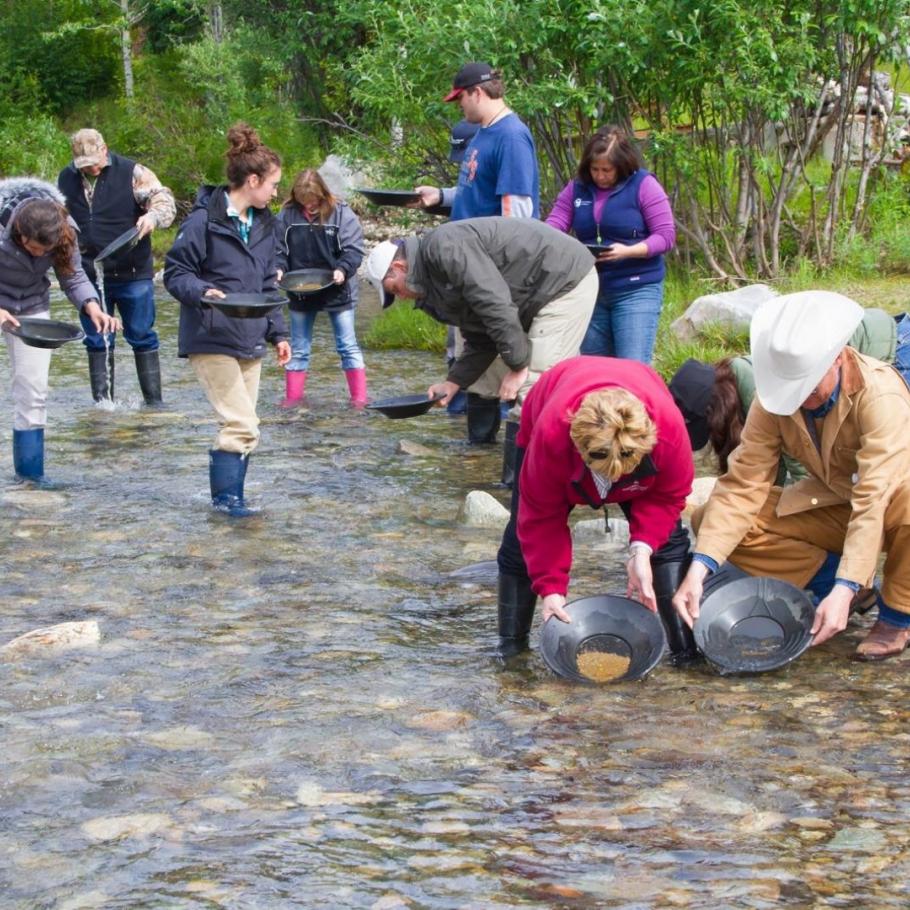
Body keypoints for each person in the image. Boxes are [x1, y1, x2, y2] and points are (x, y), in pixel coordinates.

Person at [672, 291, 910, 661]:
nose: (799, 400)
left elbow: (874, 497)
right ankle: (841, 586)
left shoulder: (880, 395)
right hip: (835, 504)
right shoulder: (776, 396)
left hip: (891, 507)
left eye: (809, 389)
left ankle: (896, 616)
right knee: (713, 517)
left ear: (839, 357)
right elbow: (743, 485)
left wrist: (847, 585)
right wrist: (699, 570)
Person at [494, 356, 694, 658]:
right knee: (519, 543)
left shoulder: (669, 431)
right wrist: (551, 588)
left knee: (667, 544)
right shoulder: (552, 435)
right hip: (554, 397)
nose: (614, 480)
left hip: (642, 407)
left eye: (623, 471)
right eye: (605, 472)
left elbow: (667, 496)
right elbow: (540, 518)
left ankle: (685, 651)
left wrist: (642, 548)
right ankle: (511, 650)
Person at [364, 217, 598, 436]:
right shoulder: (431, 286)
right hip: (534, 293)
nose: (402, 298)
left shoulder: (445, 247)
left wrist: (518, 367)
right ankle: (523, 475)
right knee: (542, 393)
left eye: (394, 289)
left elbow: (494, 302)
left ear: (399, 266)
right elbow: (481, 335)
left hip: (563, 280)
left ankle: (528, 478)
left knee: (533, 393)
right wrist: (453, 382)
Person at [163, 124, 290, 517]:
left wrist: (279, 333)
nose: (275, 193)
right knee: (242, 426)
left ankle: (231, 501)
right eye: (272, 184)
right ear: (252, 181)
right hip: (210, 334)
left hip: (250, 336)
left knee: (248, 430)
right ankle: (229, 506)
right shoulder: (202, 221)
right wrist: (202, 291)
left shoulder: (266, 224)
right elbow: (175, 273)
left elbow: (269, 282)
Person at [414, 62, 540, 458]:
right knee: (477, 356)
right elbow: (476, 190)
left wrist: (496, 278)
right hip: (468, 267)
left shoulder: (512, 137)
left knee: (500, 354)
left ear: (477, 93)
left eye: (459, 99)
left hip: (491, 270)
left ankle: (510, 454)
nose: (458, 108)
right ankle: (477, 451)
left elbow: (516, 213)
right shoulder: (482, 134)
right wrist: (444, 197)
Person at [670, 306, 909, 484]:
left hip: (895, 349)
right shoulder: (739, 375)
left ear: (718, 412)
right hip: (890, 331)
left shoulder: (764, 393)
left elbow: (804, 464)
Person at [0, 178, 121, 483]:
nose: (39, 255)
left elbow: (73, 276)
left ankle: (30, 479)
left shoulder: (65, 231)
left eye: (46, 251)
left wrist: (92, 305)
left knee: (34, 392)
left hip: (30, 305)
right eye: (31, 248)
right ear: (19, 233)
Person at [57, 128, 176, 406]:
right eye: (84, 164)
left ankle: (154, 405)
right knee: (97, 340)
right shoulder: (65, 179)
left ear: (105, 149)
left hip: (132, 272)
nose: (91, 168)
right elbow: (56, 215)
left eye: (95, 161)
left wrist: (153, 217)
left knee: (142, 336)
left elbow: (164, 199)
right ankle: (102, 407)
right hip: (87, 276)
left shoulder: (133, 172)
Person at [546, 126, 675, 363]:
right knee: (597, 368)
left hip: (636, 289)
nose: (600, 176)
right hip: (590, 289)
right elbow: (554, 225)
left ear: (622, 166)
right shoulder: (577, 188)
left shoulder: (644, 185)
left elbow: (665, 236)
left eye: (607, 170)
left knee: (632, 366)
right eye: (595, 169)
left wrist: (629, 252)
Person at [274, 169, 367, 409]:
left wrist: (343, 269)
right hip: (300, 291)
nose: (310, 207)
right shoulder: (286, 215)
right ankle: (293, 400)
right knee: (299, 348)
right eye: (305, 202)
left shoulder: (342, 214)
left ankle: (359, 400)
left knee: (347, 346)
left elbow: (354, 250)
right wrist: (278, 268)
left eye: (314, 201)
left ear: (323, 195)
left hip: (338, 288)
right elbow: (278, 251)